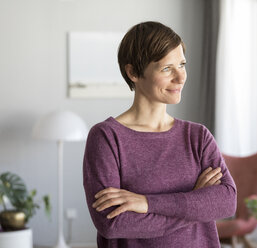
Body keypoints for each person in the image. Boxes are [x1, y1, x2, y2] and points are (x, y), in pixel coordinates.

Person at [83, 21, 237, 248]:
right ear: (133, 72)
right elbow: (113, 224)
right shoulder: (106, 138)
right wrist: (195, 203)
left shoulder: (197, 137)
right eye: (167, 68)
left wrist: (147, 203)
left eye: (182, 64)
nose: (180, 77)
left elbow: (227, 202)